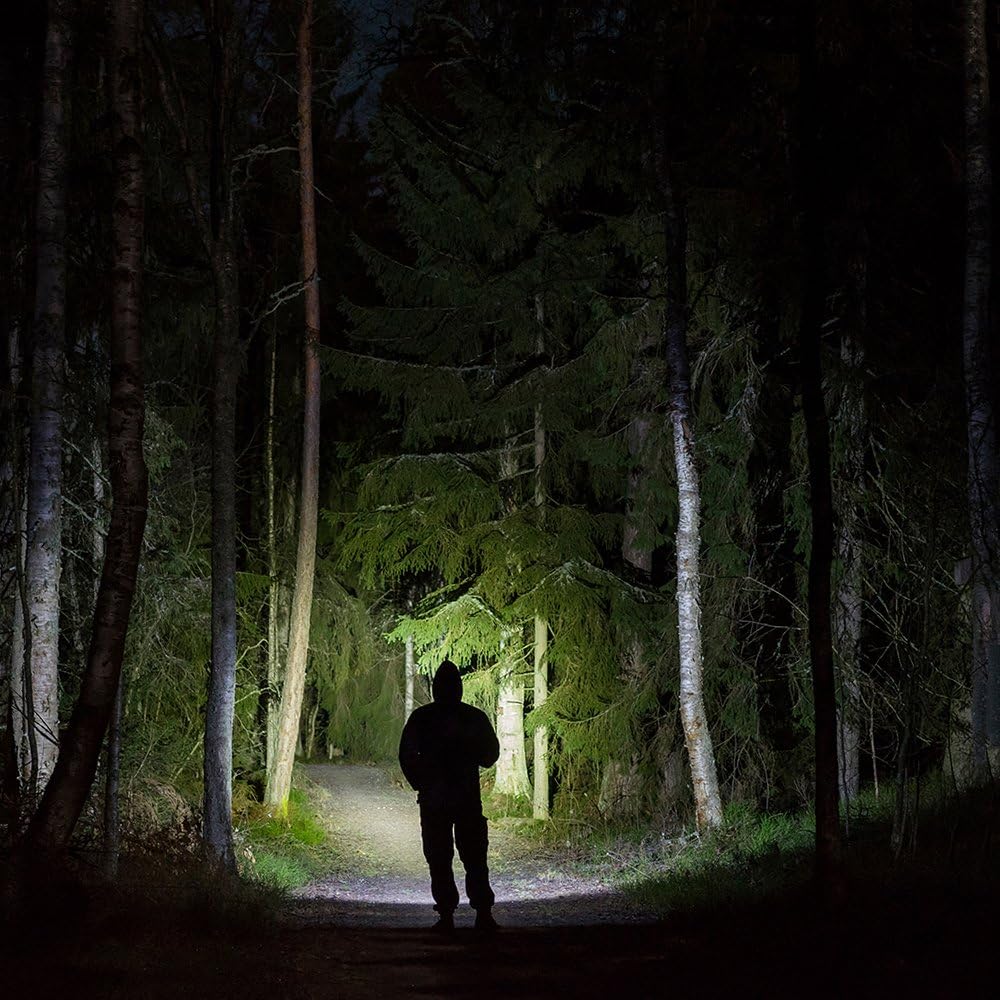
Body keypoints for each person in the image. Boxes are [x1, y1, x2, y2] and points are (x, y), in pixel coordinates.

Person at [398, 659, 500, 933]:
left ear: (435, 688)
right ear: (459, 687)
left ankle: (447, 914)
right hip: (465, 797)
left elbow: (406, 755)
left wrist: (421, 782)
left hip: (436, 799)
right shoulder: (473, 717)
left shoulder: (422, 717)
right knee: (473, 857)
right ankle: (482, 912)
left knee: (440, 857)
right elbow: (490, 755)